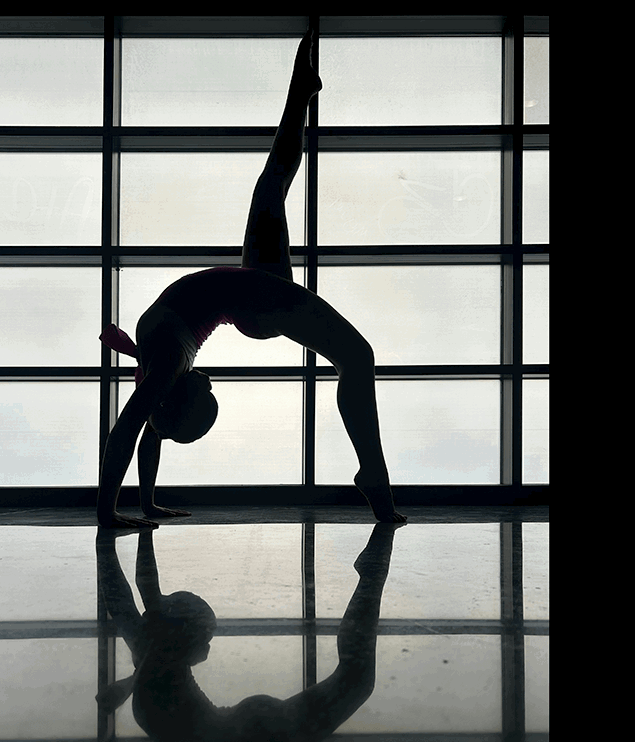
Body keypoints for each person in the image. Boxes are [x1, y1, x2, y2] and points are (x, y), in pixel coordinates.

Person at [97, 31, 405, 528]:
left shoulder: (166, 366)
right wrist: (137, 502)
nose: (212, 383)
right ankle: (377, 480)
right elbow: (149, 423)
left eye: (207, 394)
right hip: (252, 302)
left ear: (179, 395)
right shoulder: (162, 366)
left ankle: (301, 90)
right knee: (356, 356)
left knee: (273, 188)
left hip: (251, 298)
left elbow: (139, 427)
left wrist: (114, 509)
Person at [95, 521, 400, 742]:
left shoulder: (151, 647)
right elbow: (139, 592)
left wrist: (119, 537)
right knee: (355, 680)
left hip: (249, 732)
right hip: (254, 732)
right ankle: (371, 580)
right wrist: (124, 536)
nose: (208, 648)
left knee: (355, 680)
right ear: (182, 633)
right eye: (206, 637)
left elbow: (135, 594)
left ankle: (371, 579)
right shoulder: (155, 653)